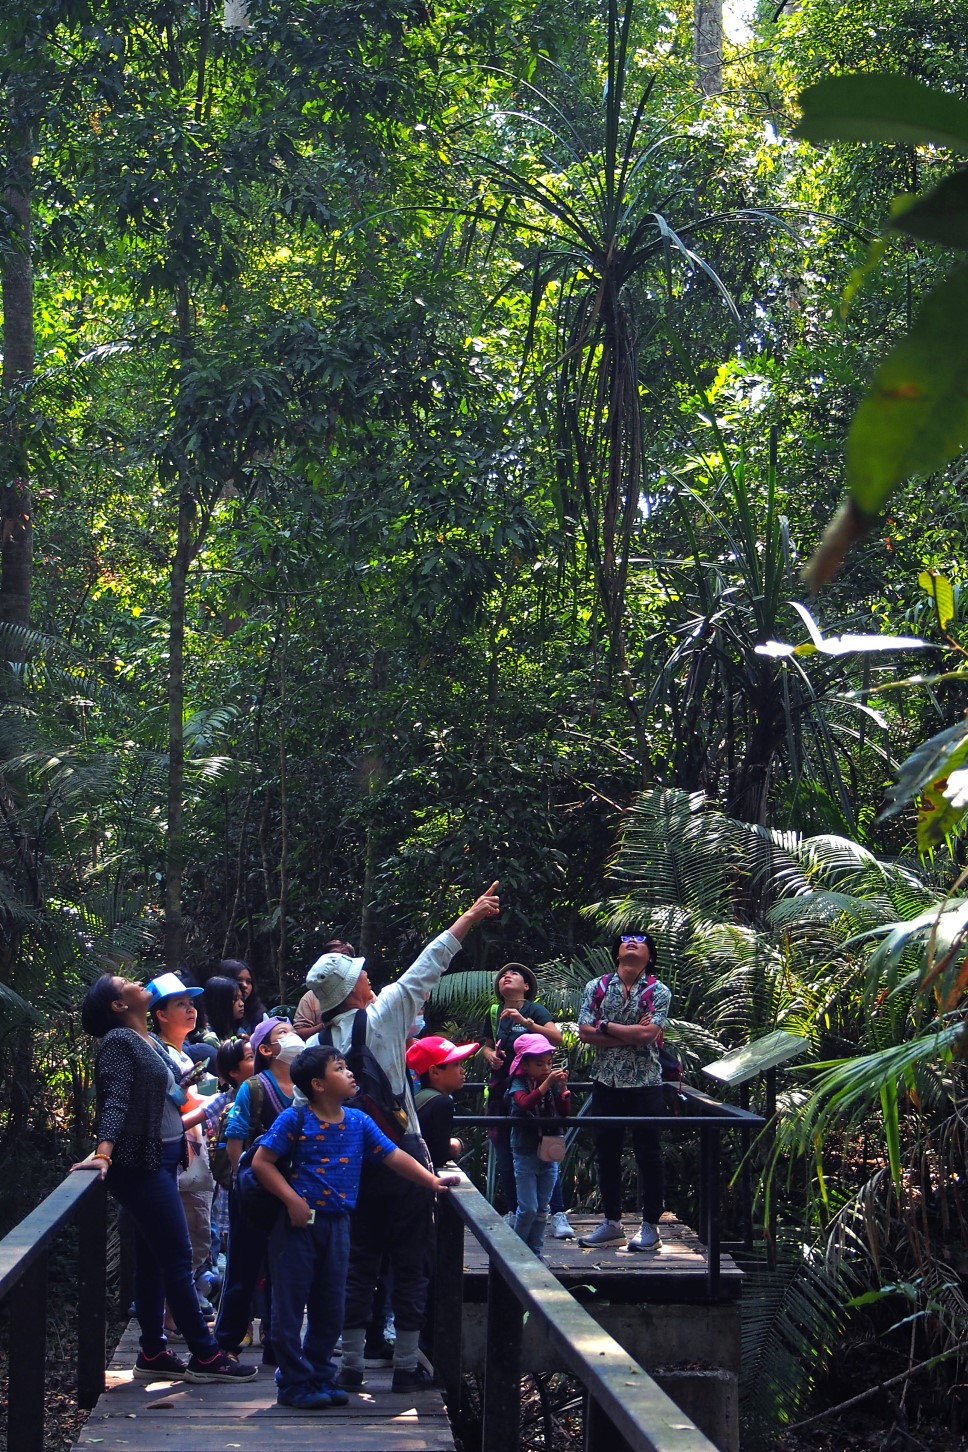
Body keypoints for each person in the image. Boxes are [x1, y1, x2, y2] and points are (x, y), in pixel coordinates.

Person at [304, 879, 500, 1393]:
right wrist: (472, 916)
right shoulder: (385, 1014)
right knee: (412, 1259)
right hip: (403, 1155)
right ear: (353, 990)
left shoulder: (316, 1043)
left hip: (349, 1161)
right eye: (361, 974)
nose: (369, 976)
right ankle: (408, 1366)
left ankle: (349, 1366)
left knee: (358, 1260)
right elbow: (429, 963)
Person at [71, 973, 256, 1383]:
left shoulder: (147, 1041)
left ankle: (153, 1349)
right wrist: (104, 1153)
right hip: (142, 1165)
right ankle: (205, 1356)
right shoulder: (120, 1042)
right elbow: (116, 1099)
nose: (135, 980)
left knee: (155, 1259)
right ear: (118, 1005)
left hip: (164, 1157)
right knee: (177, 1256)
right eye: (124, 982)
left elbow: (164, 1095)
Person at [253, 1046, 458, 1409]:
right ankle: (293, 1382)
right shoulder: (295, 1120)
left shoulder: (359, 1121)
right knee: (290, 1303)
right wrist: (292, 1201)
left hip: (339, 1224)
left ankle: (319, 1374)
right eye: (339, 1068)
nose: (350, 1074)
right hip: (299, 1226)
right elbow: (262, 1162)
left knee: (330, 1304)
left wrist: (430, 1181)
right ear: (317, 1084)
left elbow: (393, 1155)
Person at [213, 1016, 304, 1358]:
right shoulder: (254, 1087)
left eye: (293, 1031)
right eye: (284, 1034)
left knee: (286, 1266)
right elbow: (234, 1135)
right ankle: (227, 1340)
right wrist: (242, 1179)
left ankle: (276, 1338)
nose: (293, 1036)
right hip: (253, 1190)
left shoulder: (304, 1085)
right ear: (266, 1049)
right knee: (244, 1263)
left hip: (290, 1190)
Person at [576, 932, 671, 1251]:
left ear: (650, 955)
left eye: (640, 940)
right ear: (616, 952)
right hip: (606, 1081)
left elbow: (648, 1035)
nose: (632, 942)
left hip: (646, 1083)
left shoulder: (658, 991)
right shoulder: (597, 987)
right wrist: (630, 1034)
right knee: (607, 1153)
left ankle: (651, 1226)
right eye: (625, 939)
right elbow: (584, 1032)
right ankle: (612, 1223)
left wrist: (606, 1026)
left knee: (649, 1154)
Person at [480, 962, 575, 1239]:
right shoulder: (494, 1011)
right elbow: (486, 1045)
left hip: (538, 1091)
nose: (506, 976)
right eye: (503, 975)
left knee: (545, 1150)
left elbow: (556, 1037)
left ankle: (556, 1213)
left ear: (527, 986)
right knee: (508, 1152)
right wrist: (489, 1055)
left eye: (514, 974)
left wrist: (527, 1024)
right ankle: (514, 1210)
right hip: (505, 1092)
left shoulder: (535, 1009)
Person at [148, 973, 219, 1311]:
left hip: (193, 1160)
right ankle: (171, 1316)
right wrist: (219, 1104)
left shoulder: (184, 1056)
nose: (191, 1010)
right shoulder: (159, 1056)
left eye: (191, 1004)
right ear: (160, 1014)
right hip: (178, 1164)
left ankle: (173, 1313)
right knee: (185, 1241)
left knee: (196, 1239)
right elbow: (182, 1108)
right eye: (181, 1004)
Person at [507, 1033, 570, 1257]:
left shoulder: (550, 1083)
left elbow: (564, 1113)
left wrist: (562, 1090)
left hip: (549, 1150)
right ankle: (515, 1254)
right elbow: (524, 1103)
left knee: (543, 1209)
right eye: (539, 1063)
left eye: (549, 1063)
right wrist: (547, 1084)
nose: (545, 1067)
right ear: (525, 1064)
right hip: (526, 1151)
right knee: (528, 1209)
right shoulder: (518, 1083)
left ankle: (536, 1253)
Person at [406, 1035, 479, 1171]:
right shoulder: (442, 1103)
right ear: (434, 1072)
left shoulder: (419, 1097)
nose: (462, 1070)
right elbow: (438, 1157)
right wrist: (457, 1145)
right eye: (456, 1064)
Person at [293, 938, 355, 1039]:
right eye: (334, 955)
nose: (340, 958)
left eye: (345, 954)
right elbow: (299, 1032)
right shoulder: (312, 996)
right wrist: (325, 1025)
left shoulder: (362, 990)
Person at [215, 959, 267, 1033]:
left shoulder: (260, 1016)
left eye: (248, 982)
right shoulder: (205, 1020)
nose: (245, 985)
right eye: (239, 980)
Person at [203, 976, 246, 1044]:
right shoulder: (211, 1038)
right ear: (219, 1002)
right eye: (235, 999)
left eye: (241, 998)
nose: (241, 1004)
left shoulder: (240, 1031)